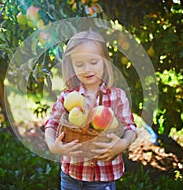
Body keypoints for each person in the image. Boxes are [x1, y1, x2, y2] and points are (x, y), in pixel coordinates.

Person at [44, 30, 137, 190]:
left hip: (103, 179)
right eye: (79, 64)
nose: (87, 69)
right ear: (72, 66)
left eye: (93, 62)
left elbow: (130, 127)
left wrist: (122, 143)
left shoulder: (117, 96)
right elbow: (51, 124)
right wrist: (53, 145)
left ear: (105, 62)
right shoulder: (68, 97)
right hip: (70, 176)